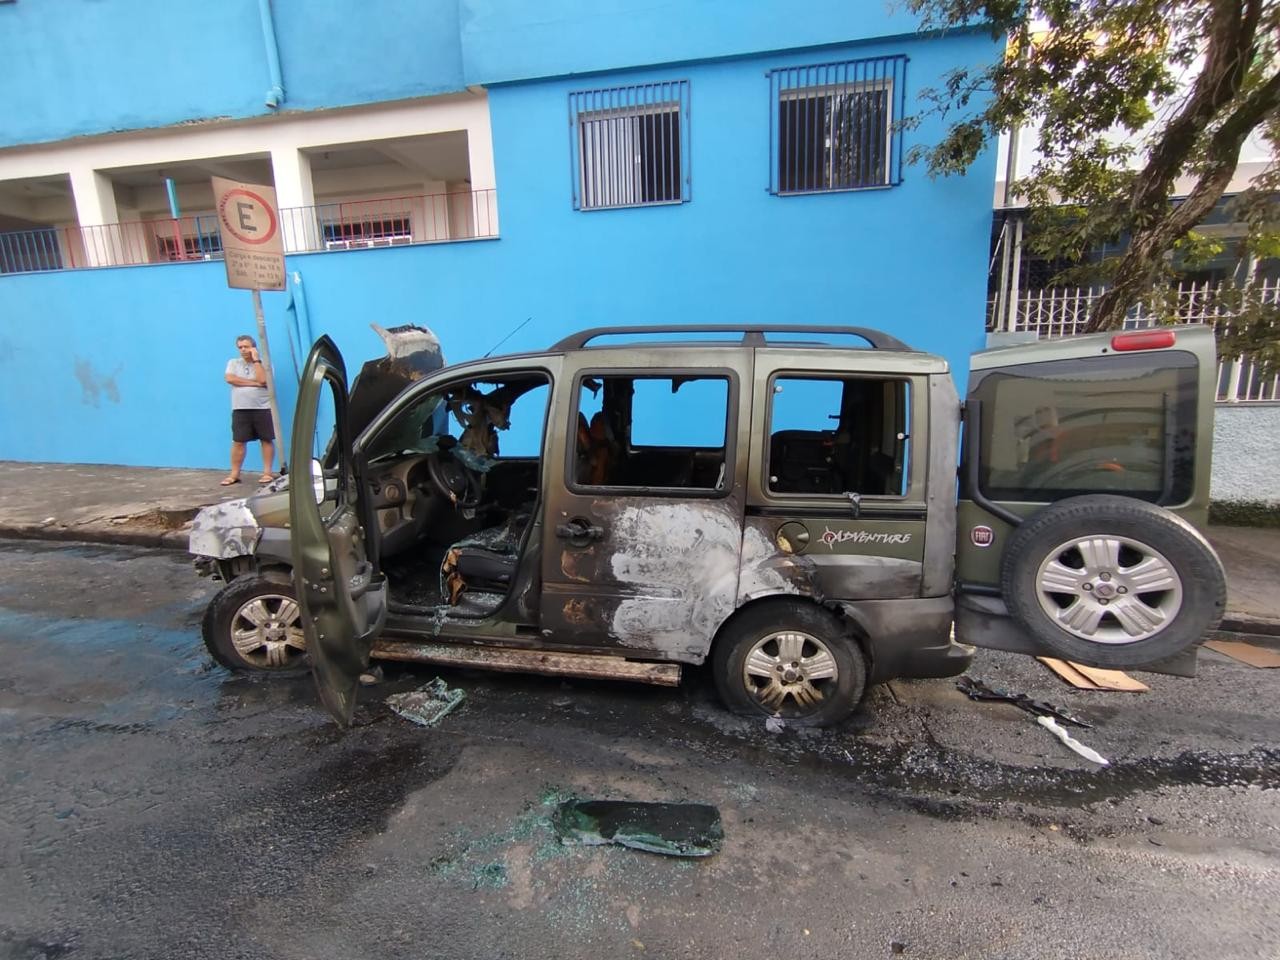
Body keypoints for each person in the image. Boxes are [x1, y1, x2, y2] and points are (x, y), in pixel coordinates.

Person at [222, 334, 275, 485]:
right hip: (240, 408)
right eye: (240, 347)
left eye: (246, 346)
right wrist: (254, 384)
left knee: (266, 439)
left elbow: (263, 380)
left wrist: (256, 360)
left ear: (253, 347)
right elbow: (230, 379)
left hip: (262, 407)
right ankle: (234, 474)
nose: (243, 350)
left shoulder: (265, 363)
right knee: (238, 441)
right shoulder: (233, 363)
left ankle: (267, 473)